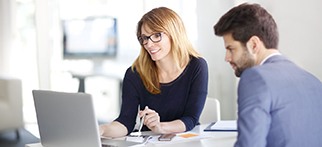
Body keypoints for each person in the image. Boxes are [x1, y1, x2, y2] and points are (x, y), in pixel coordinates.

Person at [213, 3, 322, 147]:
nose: (227, 58)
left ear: (253, 45)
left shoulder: (255, 78)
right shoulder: (313, 80)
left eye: (231, 49)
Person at [100, 7, 208, 138]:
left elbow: (191, 118)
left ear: (174, 33)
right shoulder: (135, 74)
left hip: (186, 140)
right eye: (144, 38)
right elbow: (125, 122)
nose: (149, 44)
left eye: (157, 35)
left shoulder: (196, 66)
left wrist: (160, 127)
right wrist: (102, 129)